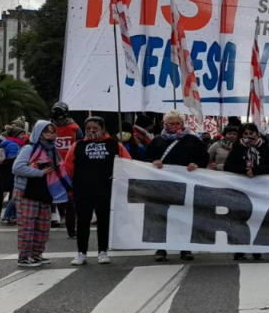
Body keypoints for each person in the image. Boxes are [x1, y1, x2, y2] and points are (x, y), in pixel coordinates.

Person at [63, 117, 132, 266]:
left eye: (95, 128)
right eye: (88, 128)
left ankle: (103, 251)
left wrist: (119, 174)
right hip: (83, 190)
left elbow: (128, 163)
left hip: (106, 190)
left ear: (103, 128)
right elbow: (68, 168)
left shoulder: (114, 145)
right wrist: (69, 188)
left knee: (104, 221)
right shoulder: (77, 146)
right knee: (82, 222)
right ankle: (81, 253)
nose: (92, 131)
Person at [145, 110, 209, 262]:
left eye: (178, 123)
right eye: (172, 124)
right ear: (164, 124)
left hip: (186, 185)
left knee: (183, 215)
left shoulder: (193, 140)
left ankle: (184, 247)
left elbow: (204, 157)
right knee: (162, 216)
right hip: (162, 185)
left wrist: (197, 164)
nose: (175, 126)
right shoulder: (157, 141)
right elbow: (145, 157)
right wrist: (153, 161)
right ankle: (161, 248)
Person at [12, 121, 66, 266]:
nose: (50, 135)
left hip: (44, 190)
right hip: (26, 190)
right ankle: (24, 256)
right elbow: (17, 167)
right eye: (46, 132)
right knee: (27, 224)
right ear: (38, 133)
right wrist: (40, 172)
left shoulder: (52, 150)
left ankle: (36, 254)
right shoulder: (29, 148)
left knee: (43, 224)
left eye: (53, 132)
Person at [225, 123, 269, 261]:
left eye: (252, 132)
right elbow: (228, 166)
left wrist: (256, 170)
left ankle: (257, 247)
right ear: (242, 134)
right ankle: (240, 248)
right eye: (246, 133)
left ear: (257, 133)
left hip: (260, 188)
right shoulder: (237, 148)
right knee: (240, 218)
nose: (249, 135)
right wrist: (244, 170)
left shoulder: (265, 147)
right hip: (241, 188)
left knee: (258, 217)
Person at [50, 102, 83, 237]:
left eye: (61, 117)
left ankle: (71, 229)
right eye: (56, 118)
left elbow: (81, 146)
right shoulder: (48, 127)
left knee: (70, 200)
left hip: (69, 168)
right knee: (49, 198)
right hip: (51, 168)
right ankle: (46, 226)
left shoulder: (75, 128)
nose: (59, 120)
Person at [0, 126, 26, 225]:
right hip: (12, 172)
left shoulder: (12, 143)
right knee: (15, 195)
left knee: (14, 195)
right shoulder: (13, 145)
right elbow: (12, 159)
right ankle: (9, 216)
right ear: (16, 135)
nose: (23, 136)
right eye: (21, 134)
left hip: (9, 172)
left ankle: (11, 216)